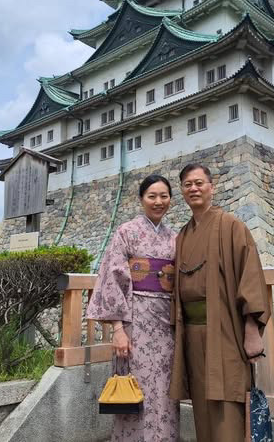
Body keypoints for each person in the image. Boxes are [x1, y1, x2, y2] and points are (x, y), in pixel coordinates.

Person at [170, 163, 270, 442]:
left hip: (225, 329)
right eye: (187, 184)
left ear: (211, 187)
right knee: (202, 405)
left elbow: (250, 277)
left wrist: (252, 331)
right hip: (192, 333)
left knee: (228, 398)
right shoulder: (183, 235)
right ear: (182, 191)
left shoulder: (231, 226)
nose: (193, 188)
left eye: (199, 183)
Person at [86, 174, 180, 441]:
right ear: (141, 199)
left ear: (170, 200)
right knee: (132, 387)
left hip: (166, 324)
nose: (158, 201)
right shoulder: (126, 232)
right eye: (152, 196)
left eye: (164, 196)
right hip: (133, 322)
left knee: (165, 390)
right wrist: (118, 330)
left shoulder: (175, 238)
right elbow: (112, 278)